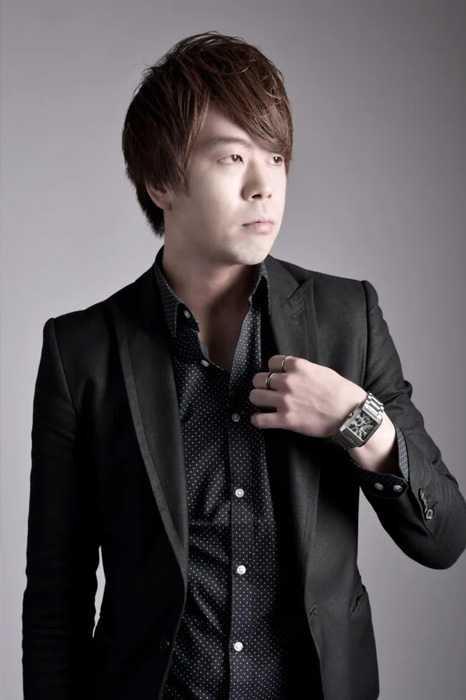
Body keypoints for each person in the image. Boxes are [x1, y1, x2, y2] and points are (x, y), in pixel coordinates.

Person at [22, 31, 466, 700]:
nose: (265, 187)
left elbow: (444, 538)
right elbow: (56, 598)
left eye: (276, 157)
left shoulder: (347, 318)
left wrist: (356, 419)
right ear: (160, 182)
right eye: (232, 157)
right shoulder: (80, 351)